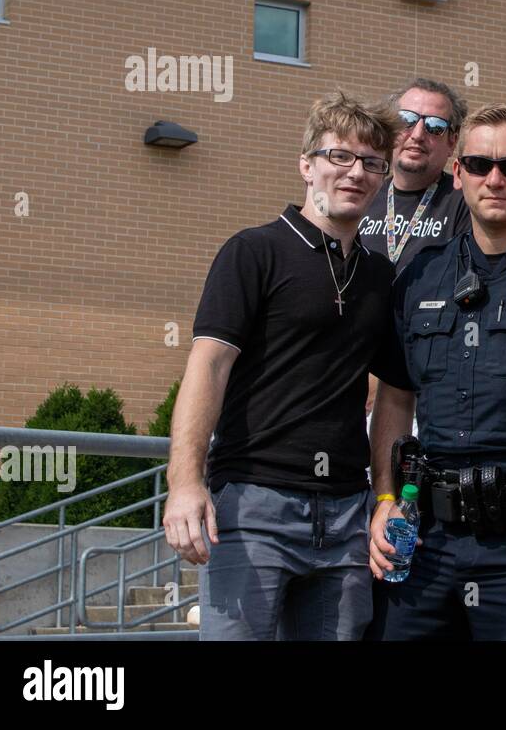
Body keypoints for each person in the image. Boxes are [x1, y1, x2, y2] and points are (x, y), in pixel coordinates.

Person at [162, 89, 410, 640]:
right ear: (306, 165)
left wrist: (386, 497)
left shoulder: (380, 276)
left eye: (372, 163)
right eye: (338, 157)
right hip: (254, 507)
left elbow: (395, 393)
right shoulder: (254, 252)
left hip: (347, 515)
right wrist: (184, 482)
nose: (356, 173)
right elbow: (208, 368)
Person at [364, 104, 506, 640]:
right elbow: (395, 399)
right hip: (426, 540)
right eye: (479, 164)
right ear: (458, 173)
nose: (495, 179)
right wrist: (384, 500)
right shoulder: (419, 273)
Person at [359, 79, 470, 418]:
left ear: (452, 142)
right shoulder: (360, 189)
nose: (418, 134)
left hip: (426, 391)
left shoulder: (465, 203)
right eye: (407, 119)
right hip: (351, 384)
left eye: (435, 126)